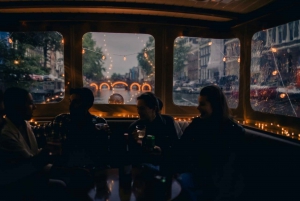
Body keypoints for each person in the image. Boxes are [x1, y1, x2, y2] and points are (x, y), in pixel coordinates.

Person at [174, 85, 245, 201]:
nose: (198, 108)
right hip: (195, 175)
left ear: (215, 106)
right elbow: (180, 148)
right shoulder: (196, 125)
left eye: (202, 104)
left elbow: (230, 167)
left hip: (216, 182)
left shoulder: (232, 131)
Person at [0, 87, 69, 200]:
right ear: (18, 107)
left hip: (31, 175)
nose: (35, 107)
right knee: (61, 185)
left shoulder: (25, 125)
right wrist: (48, 155)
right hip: (16, 185)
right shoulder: (6, 135)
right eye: (30, 103)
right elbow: (30, 165)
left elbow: (33, 155)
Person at [51, 87, 109, 168]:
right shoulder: (60, 120)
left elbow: (103, 153)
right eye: (70, 101)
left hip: (92, 167)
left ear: (88, 104)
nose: (71, 105)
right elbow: (55, 151)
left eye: (76, 102)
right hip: (66, 168)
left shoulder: (99, 122)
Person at [128, 92, 178, 166]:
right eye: (138, 108)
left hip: (164, 163)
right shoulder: (134, 127)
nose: (139, 112)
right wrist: (136, 142)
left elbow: (175, 147)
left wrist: (161, 151)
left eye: (142, 108)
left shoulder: (168, 122)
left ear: (154, 109)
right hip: (143, 166)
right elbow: (132, 156)